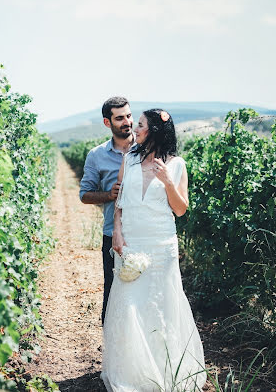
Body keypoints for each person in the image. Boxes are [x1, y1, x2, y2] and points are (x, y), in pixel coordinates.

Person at [100, 109, 206, 391]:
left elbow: (181, 210)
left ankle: (165, 369)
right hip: (132, 243)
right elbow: (119, 203)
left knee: (162, 303)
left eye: (142, 124)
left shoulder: (177, 165)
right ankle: (133, 373)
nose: (136, 127)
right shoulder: (129, 159)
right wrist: (117, 233)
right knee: (131, 302)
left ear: (154, 132)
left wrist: (168, 182)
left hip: (161, 245)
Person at [79, 96, 135, 326]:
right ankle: (114, 351)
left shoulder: (147, 149)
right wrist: (108, 195)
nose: (126, 122)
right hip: (113, 236)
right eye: (119, 118)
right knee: (113, 294)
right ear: (107, 122)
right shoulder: (96, 155)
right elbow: (85, 195)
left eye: (129, 116)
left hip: (145, 233)